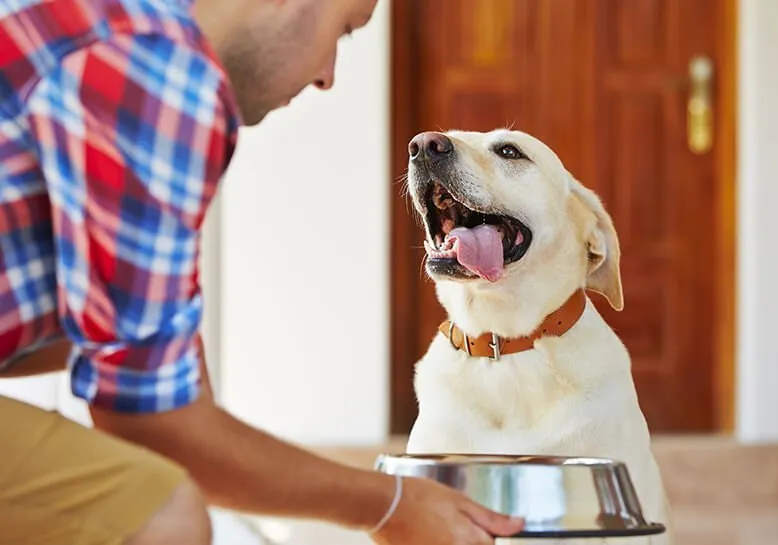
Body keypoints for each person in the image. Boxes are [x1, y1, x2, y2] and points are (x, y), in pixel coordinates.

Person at [0, 0, 526, 543]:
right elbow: (151, 422)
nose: (326, 76)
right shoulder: (159, 69)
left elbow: (128, 353)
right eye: (343, 31)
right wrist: (390, 505)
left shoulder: (117, 22)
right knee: (162, 513)